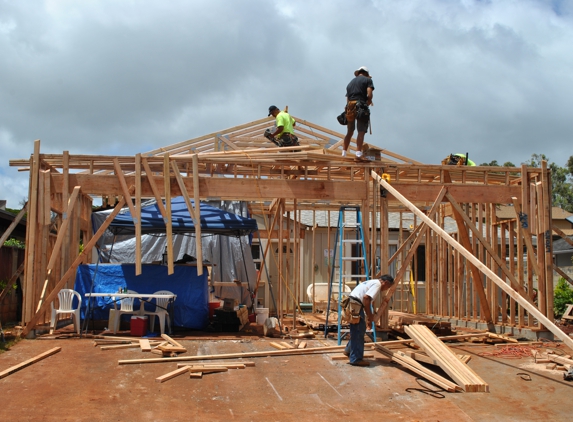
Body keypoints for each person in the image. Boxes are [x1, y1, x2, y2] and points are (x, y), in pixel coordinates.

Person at [344, 274, 394, 366]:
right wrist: (369, 317)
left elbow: (367, 299)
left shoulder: (372, 282)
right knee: (359, 331)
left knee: (356, 330)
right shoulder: (378, 284)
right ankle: (356, 359)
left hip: (353, 303)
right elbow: (366, 298)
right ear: (386, 282)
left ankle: (348, 350)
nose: (387, 289)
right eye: (388, 287)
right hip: (356, 304)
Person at [342, 66, 374, 160]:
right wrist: (367, 103)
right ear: (366, 74)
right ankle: (358, 153)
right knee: (361, 130)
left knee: (350, 131)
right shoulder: (367, 80)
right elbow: (370, 94)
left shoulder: (350, 83)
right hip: (360, 106)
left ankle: (344, 153)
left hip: (350, 107)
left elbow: (347, 99)